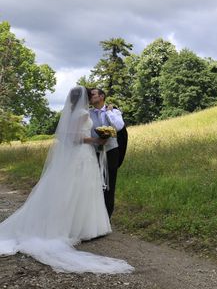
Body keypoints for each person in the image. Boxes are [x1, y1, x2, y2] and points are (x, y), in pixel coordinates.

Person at [0, 86, 133, 274]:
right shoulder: (80, 112)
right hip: (83, 154)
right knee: (80, 189)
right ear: (84, 98)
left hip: (85, 155)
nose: (91, 97)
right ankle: (79, 227)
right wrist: (96, 141)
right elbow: (74, 137)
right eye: (90, 95)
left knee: (84, 189)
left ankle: (86, 226)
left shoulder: (78, 111)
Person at [89, 88, 125, 218]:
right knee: (94, 185)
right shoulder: (88, 113)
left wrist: (109, 112)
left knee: (109, 185)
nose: (90, 97)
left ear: (102, 96)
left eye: (93, 95)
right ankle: (95, 218)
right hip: (93, 152)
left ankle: (107, 218)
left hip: (111, 151)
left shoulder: (114, 111)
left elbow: (119, 126)